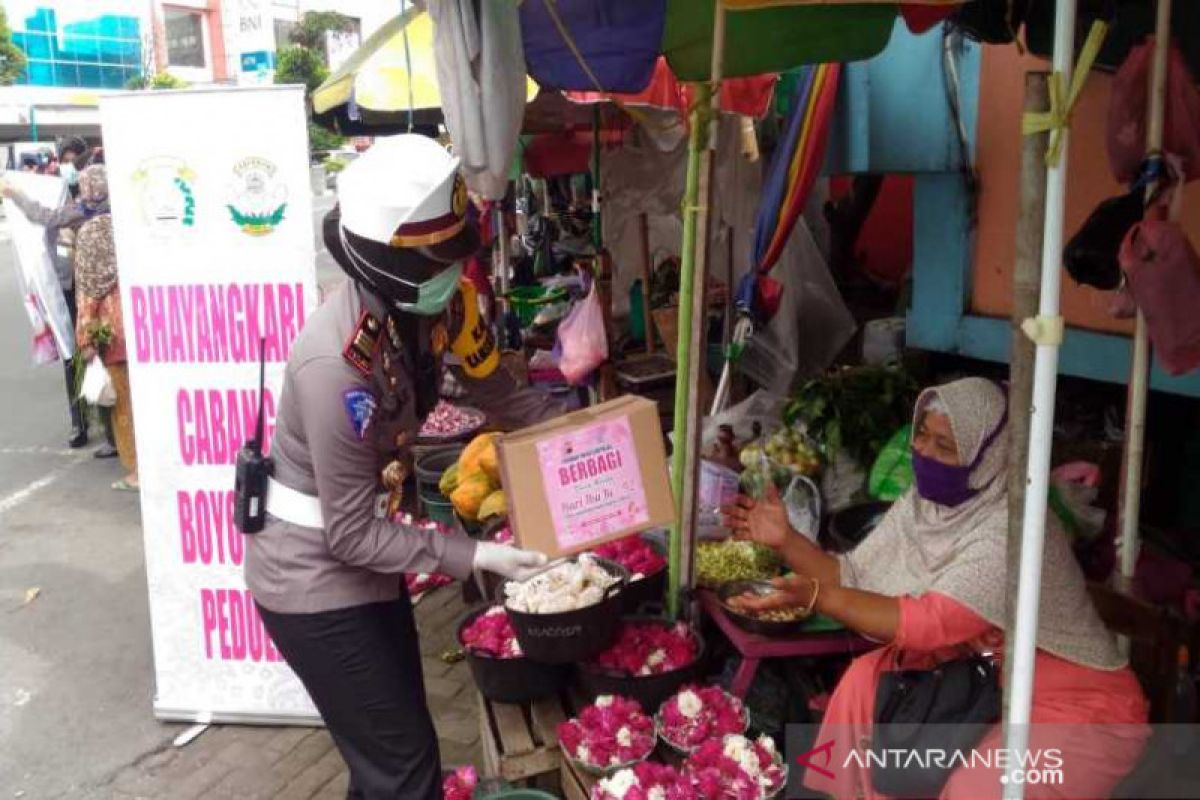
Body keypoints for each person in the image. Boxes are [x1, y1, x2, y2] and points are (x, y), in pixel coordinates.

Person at [245, 134, 563, 800]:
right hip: (313, 580)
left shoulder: (435, 304)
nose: (453, 275)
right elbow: (351, 534)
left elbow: (499, 394)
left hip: (369, 563)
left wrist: (595, 436)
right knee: (407, 767)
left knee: (393, 756)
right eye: (436, 262)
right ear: (387, 262)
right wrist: (474, 554)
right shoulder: (337, 367)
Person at [724, 378, 1149, 799]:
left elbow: (928, 623)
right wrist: (788, 541)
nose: (923, 453)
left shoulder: (1015, 528)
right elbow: (854, 575)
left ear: (989, 457)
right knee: (863, 683)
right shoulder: (928, 504)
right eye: (922, 436)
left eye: (945, 447)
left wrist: (818, 597)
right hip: (979, 678)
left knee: (976, 788)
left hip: (1074, 708)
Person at [1, 159, 111, 451]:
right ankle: (93, 423)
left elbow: (43, 216)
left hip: (89, 296)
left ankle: (99, 424)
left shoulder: (84, 212)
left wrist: (15, 195)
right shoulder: (101, 209)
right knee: (91, 356)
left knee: (83, 355)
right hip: (93, 295)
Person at [71, 167, 137, 491]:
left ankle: (137, 472)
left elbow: (87, 291)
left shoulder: (88, 234)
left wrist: (85, 337)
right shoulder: (131, 222)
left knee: (123, 404)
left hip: (113, 332)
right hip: (144, 322)